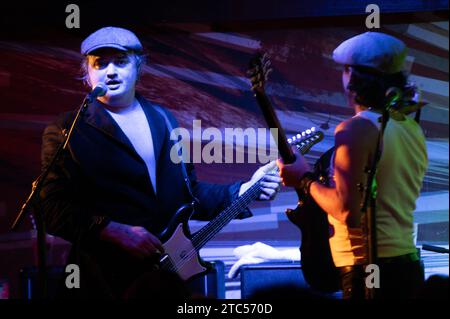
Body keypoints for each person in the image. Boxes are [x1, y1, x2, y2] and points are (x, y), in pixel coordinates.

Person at [38, 26, 281, 298]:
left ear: (138, 66)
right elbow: (51, 208)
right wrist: (109, 229)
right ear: (88, 72)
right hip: (103, 279)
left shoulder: (163, 119)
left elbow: (188, 195)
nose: (110, 71)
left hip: (163, 277)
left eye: (120, 62)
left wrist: (243, 191)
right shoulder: (67, 129)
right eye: (100, 63)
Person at [277, 32, 428, 299]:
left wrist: (303, 179)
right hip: (407, 265)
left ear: (351, 77)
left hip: (369, 274)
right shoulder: (411, 128)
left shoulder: (356, 129)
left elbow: (347, 212)